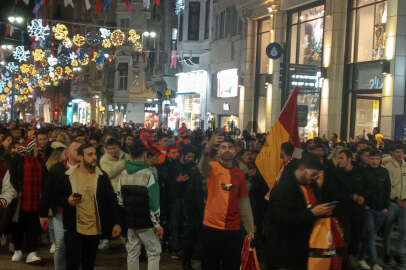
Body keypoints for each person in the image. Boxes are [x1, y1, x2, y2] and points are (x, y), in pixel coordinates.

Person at [54, 143, 122, 270]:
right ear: (80, 157)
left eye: (95, 154)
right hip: (74, 228)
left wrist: (116, 222)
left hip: (94, 229)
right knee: (73, 264)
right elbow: (56, 197)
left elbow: (111, 201)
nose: (94, 157)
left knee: (89, 265)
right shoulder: (69, 176)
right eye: (89, 154)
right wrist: (67, 201)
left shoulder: (101, 176)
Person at [265, 154, 335, 270]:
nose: (315, 178)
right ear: (302, 169)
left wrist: (324, 210)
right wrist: (312, 213)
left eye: (317, 176)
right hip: (285, 249)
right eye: (313, 174)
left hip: (305, 246)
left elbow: (315, 205)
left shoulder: (312, 186)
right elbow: (281, 218)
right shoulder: (284, 188)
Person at [199, 134, 255, 270]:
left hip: (233, 229)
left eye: (230, 147)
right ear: (218, 151)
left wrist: (250, 229)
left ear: (235, 151)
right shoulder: (212, 168)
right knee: (210, 265)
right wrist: (208, 147)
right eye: (223, 147)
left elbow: (244, 203)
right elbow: (202, 167)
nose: (227, 150)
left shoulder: (239, 174)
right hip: (212, 227)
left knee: (231, 265)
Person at [117, 140, 163, 270]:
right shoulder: (149, 174)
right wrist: (157, 224)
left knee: (132, 252)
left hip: (130, 220)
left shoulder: (123, 173)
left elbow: (120, 199)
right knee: (154, 251)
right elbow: (154, 203)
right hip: (146, 222)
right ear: (144, 155)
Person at [40, 140, 82, 270]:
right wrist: (43, 213)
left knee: (77, 244)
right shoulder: (57, 169)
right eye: (76, 150)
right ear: (68, 152)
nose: (79, 152)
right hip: (61, 212)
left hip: (81, 212)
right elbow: (48, 192)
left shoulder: (87, 169)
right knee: (61, 243)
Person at [323, 150, 366, 269]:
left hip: (357, 211)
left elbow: (366, 187)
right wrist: (351, 196)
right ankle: (345, 262)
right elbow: (334, 192)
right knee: (344, 237)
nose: (339, 160)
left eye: (342, 158)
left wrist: (362, 196)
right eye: (338, 158)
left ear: (349, 159)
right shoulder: (335, 173)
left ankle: (353, 256)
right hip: (342, 211)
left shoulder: (360, 172)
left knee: (356, 235)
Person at [11, 139, 46, 264]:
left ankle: (32, 252)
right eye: (35, 147)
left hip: (36, 199)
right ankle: (18, 249)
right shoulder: (17, 160)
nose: (37, 149)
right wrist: (16, 189)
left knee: (33, 226)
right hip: (21, 199)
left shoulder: (40, 161)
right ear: (30, 149)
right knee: (19, 226)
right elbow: (12, 177)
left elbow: (45, 178)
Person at [359, 150, 391, 270]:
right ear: (368, 159)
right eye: (372, 158)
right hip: (368, 209)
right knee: (371, 236)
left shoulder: (384, 171)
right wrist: (365, 205)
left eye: (377, 159)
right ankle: (374, 262)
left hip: (381, 209)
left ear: (380, 159)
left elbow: (387, 190)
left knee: (369, 235)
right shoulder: (364, 172)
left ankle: (361, 258)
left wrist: (386, 207)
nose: (374, 161)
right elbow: (361, 189)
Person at [99, 138, 128, 250]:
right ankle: (106, 238)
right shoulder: (104, 159)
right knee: (111, 215)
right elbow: (109, 174)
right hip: (112, 190)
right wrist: (122, 164)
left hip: (125, 189)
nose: (112, 151)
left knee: (124, 215)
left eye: (114, 148)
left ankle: (124, 238)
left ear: (118, 147)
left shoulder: (125, 156)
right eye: (110, 148)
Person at [179, 145, 204, 270]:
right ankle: (188, 261)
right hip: (194, 207)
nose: (190, 159)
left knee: (192, 235)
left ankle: (188, 260)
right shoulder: (192, 170)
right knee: (192, 235)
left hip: (194, 206)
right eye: (188, 156)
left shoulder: (195, 169)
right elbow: (194, 191)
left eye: (192, 157)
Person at [383, 144, 406, 265]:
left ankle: (398, 251)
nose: (399, 154)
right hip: (392, 202)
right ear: (392, 153)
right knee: (388, 229)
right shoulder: (388, 166)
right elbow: (388, 186)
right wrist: (396, 198)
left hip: (404, 202)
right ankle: (387, 252)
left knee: (403, 229)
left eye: (401, 152)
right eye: (397, 152)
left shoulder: (405, 165)